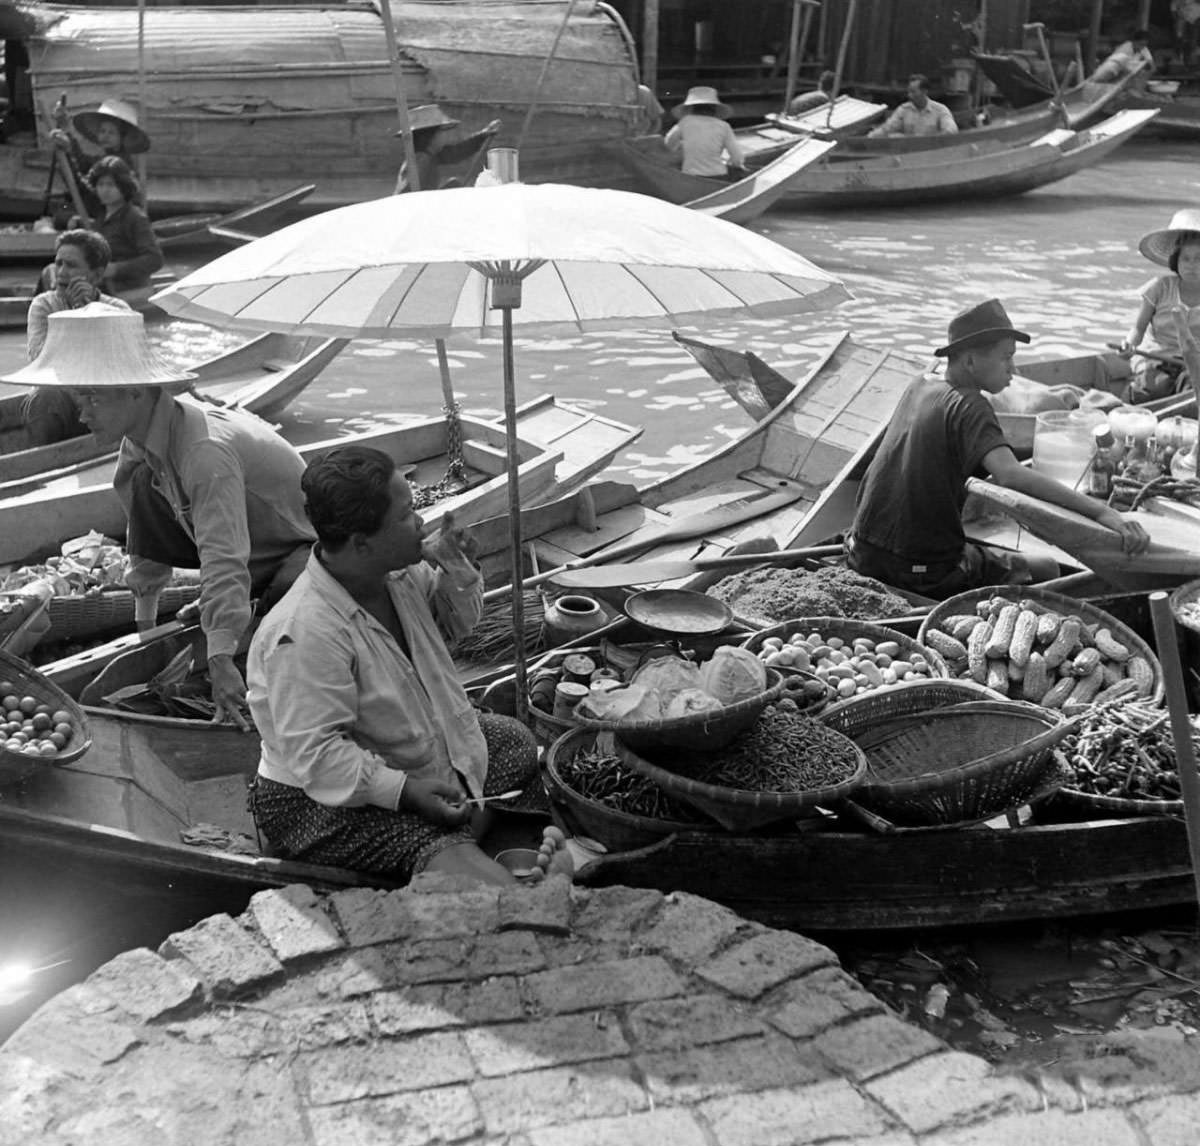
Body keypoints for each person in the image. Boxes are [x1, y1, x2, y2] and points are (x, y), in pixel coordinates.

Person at [245, 444, 569, 886]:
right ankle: (458, 849)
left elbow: (452, 627)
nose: (420, 521)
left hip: (403, 748)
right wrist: (407, 792)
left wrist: (459, 572)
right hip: (318, 797)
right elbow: (318, 757)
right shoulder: (304, 632)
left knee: (510, 738)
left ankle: (459, 833)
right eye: (404, 516)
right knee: (438, 848)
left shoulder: (398, 574)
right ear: (361, 543)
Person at [2, 304, 317, 725]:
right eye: (80, 399)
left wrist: (221, 655)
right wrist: (145, 631)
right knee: (141, 487)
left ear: (136, 392)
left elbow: (224, 557)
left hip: (300, 549)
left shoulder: (204, 453)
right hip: (245, 543)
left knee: (276, 627)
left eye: (94, 399)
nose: (82, 415)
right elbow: (143, 536)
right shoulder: (139, 442)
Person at [845, 299, 1150, 599]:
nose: (1013, 369)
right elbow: (1010, 475)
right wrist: (1102, 512)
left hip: (860, 550)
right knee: (1046, 567)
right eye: (1006, 358)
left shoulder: (920, 384)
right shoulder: (971, 405)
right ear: (969, 361)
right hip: (920, 569)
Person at [21, 229, 131, 447]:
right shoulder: (44, 305)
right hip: (59, 400)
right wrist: (72, 316)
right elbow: (40, 361)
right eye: (58, 263)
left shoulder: (118, 309)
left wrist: (89, 310)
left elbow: (126, 366)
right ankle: (41, 462)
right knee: (46, 395)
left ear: (97, 275)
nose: (60, 272)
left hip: (102, 400)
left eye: (71, 265)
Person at [1118, 208, 1200, 401]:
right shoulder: (1159, 287)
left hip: (1194, 363)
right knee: (1151, 390)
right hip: (1156, 358)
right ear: (1176, 261)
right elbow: (1138, 328)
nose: (1192, 265)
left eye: (1199, 259)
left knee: (1190, 392)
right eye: (1186, 258)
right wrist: (1129, 344)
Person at [49, 96, 150, 216]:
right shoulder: (104, 159)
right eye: (103, 131)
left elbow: (85, 190)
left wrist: (67, 151)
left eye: (111, 132)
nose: (106, 136)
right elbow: (84, 164)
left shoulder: (119, 163)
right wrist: (66, 129)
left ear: (122, 138)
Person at [85, 156, 162, 291]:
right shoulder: (102, 215)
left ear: (123, 186)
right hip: (101, 285)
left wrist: (116, 269)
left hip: (127, 288)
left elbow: (154, 259)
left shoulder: (135, 218)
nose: (105, 190)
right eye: (100, 184)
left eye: (111, 185)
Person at [394, 105, 501, 194]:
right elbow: (406, 196)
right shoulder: (421, 160)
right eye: (442, 132)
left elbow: (458, 151)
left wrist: (483, 134)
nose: (445, 136)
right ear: (430, 136)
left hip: (424, 204)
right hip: (418, 209)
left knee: (454, 184)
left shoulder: (432, 155)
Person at [664, 85, 747, 179]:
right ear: (715, 108)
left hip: (690, 175)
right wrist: (735, 165)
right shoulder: (724, 126)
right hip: (718, 174)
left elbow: (669, 144)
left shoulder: (685, 122)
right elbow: (737, 157)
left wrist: (682, 146)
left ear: (691, 107)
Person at [868, 74, 958, 137]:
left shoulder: (940, 110)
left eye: (913, 92)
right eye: (909, 92)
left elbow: (951, 130)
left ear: (924, 91)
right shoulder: (903, 110)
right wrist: (869, 138)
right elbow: (887, 128)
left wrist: (931, 138)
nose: (909, 95)